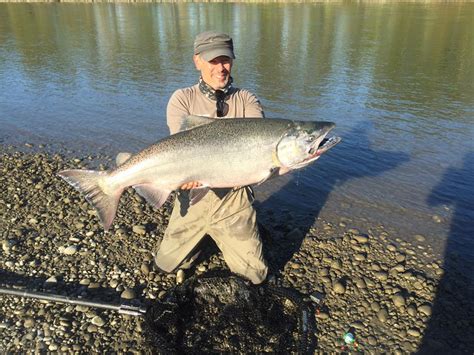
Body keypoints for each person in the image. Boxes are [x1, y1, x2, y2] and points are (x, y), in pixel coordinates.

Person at [153, 31, 268, 284]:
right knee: (165, 265)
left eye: (225, 60)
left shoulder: (247, 99)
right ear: (197, 61)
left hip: (234, 199)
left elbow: (259, 147)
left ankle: (224, 235)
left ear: (233, 61)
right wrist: (179, 179)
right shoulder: (182, 99)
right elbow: (178, 149)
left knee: (255, 277)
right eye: (212, 61)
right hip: (192, 198)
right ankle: (203, 239)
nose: (220, 68)